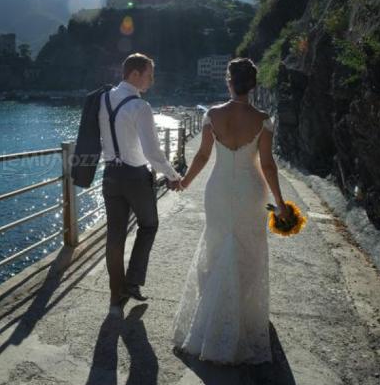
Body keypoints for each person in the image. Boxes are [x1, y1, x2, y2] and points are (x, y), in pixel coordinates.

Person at [171, 57, 289, 365]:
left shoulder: (212, 115)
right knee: (248, 248)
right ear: (253, 85)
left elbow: (201, 155)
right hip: (252, 190)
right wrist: (280, 201)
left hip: (219, 189)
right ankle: (243, 316)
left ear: (228, 81)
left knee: (217, 243)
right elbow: (267, 165)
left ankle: (215, 313)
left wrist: (185, 181)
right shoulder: (263, 119)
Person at [100, 53, 182, 317]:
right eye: (149, 74)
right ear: (134, 74)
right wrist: (172, 174)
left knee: (114, 235)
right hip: (135, 176)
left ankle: (117, 293)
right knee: (149, 224)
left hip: (110, 174)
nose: (152, 80)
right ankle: (132, 281)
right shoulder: (140, 107)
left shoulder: (103, 99)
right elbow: (152, 152)